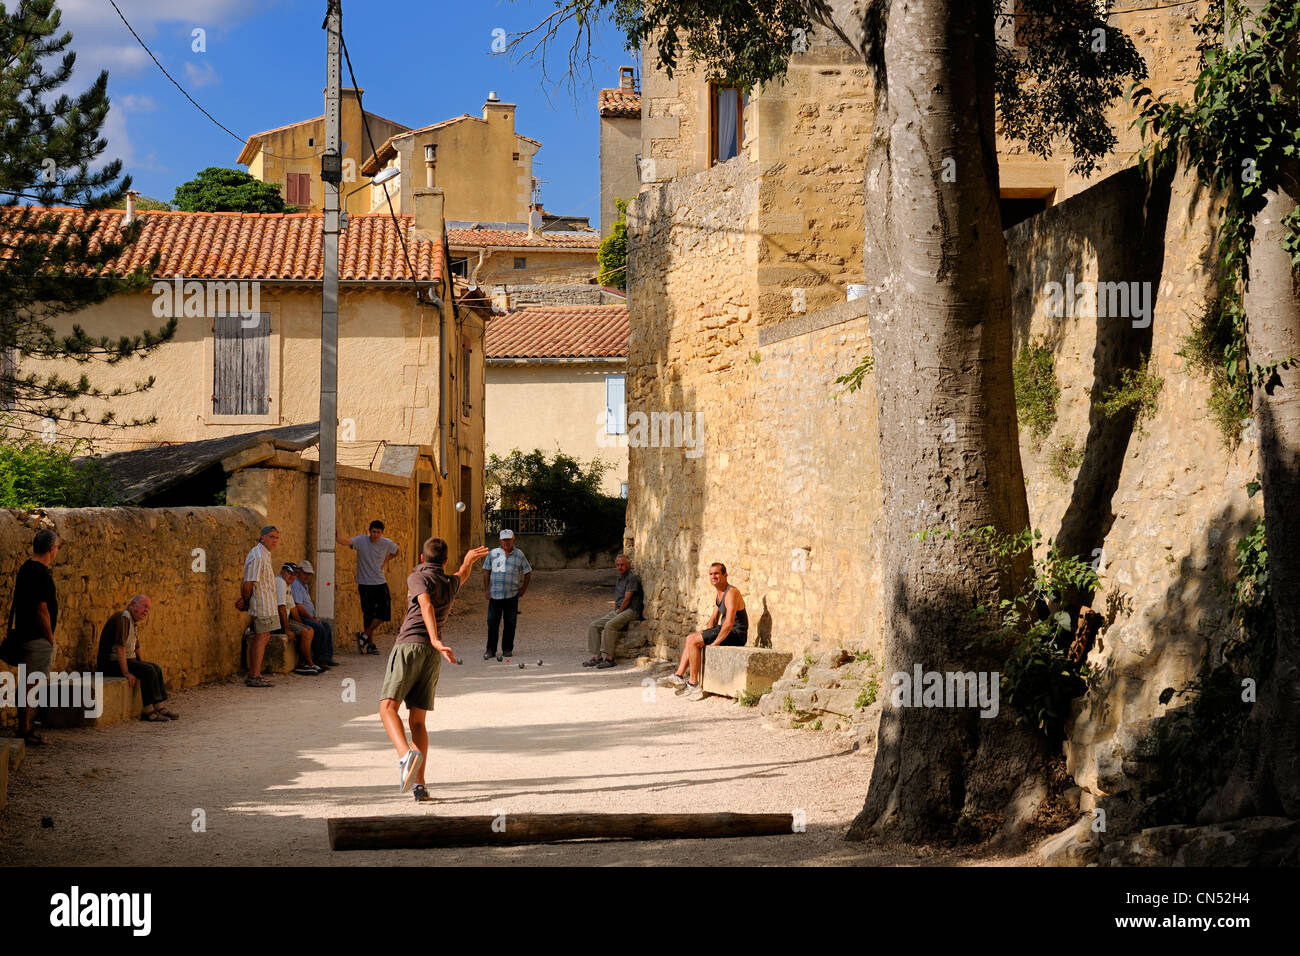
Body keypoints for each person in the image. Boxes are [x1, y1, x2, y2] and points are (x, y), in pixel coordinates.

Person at [381, 538, 490, 801]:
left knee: (387, 709)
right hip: (431, 656)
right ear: (444, 561)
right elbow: (461, 574)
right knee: (417, 721)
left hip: (411, 646)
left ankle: (406, 756)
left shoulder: (417, 578)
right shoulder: (449, 583)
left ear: (421, 558)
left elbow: (426, 604)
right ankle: (419, 785)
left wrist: (434, 638)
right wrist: (467, 561)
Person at [658, 562, 748, 700]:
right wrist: (703, 634)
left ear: (725, 575)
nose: (713, 576)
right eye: (711, 574)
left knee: (694, 641)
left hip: (736, 634)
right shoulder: (720, 593)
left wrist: (715, 643)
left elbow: (729, 623)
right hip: (726, 630)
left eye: (717, 573)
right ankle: (678, 676)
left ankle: (694, 685)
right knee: (690, 638)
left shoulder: (731, 593)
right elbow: (713, 619)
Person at [9, 529, 61, 745]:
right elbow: (42, 609)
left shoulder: (26, 568)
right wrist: (49, 637)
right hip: (36, 638)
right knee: (31, 683)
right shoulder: (40, 573)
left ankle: (24, 726)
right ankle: (25, 729)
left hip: (24, 634)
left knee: (27, 682)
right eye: (57, 547)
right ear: (51, 549)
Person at [96, 595, 177, 722]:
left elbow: (136, 647)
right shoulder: (124, 617)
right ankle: (148, 711)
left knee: (155, 668)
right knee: (148, 670)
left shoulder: (132, 622)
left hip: (127, 660)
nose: (146, 611)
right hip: (111, 663)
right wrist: (126, 673)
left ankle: (159, 707)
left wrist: (142, 663)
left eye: (148, 609)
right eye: (144, 606)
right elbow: (119, 647)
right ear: (133, 605)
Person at [336, 520, 399, 655]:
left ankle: (364, 635)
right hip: (364, 584)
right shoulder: (361, 540)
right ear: (369, 531)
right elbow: (347, 542)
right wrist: (337, 538)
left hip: (380, 583)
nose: (375, 535)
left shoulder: (386, 543)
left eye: (378, 532)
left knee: (384, 613)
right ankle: (369, 644)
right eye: (373, 532)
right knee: (368, 615)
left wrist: (386, 561)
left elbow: (396, 551)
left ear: (382, 533)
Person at [235, 525, 280, 687]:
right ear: (262, 538)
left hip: (267, 602)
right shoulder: (258, 556)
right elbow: (248, 583)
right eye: (271, 537)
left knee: (264, 636)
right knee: (261, 637)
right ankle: (254, 675)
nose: (274, 540)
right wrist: (245, 601)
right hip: (262, 603)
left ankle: (255, 674)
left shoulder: (264, 554)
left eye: (276, 537)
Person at [583, 554, 642, 668]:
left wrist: (618, 612)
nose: (620, 567)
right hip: (620, 610)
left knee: (610, 625)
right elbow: (618, 598)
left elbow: (627, 599)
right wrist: (616, 610)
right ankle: (597, 657)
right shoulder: (619, 578)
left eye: (622, 565)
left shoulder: (632, 578)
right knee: (594, 625)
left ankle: (610, 658)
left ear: (628, 565)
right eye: (618, 565)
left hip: (631, 610)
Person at [482, 529, 531, 661]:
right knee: (492, 622)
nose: (506, 542)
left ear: (513, 539)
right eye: (504, 540)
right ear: (500, 540)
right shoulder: (493, 554)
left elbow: (527, 572)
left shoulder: (519, 554)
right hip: (495, 595)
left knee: (510, 622)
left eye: (508, 539)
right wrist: (487, 590)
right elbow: (486, 571)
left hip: (512, 595)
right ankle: (490, 650)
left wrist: (523, 589)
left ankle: (507, 649)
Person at [275, 562, 321, 675]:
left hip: (284, 618)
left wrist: (301, 625)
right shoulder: (280, 582)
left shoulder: (288, 585)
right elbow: (281, 607)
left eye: (294, 574)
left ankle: (304, 663)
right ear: (282, 572)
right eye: (289, 573)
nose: (292, 576)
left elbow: (293, 608)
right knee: (306, 632)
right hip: (276, 620)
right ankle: (308, 664)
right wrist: (287, 630)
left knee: (309, 630)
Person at [291, 560, 337, 668]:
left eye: (309, 574)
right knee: (319, 628)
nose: (307, 576)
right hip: (301, 617)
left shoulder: (304, 585)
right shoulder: (296, 585)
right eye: (305, 573)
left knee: (326, 627)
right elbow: (299, 606)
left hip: (309, 616)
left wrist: (313, 617)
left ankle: (327, 657)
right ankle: (318, 659)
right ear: (299, 572)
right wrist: (312, 618)